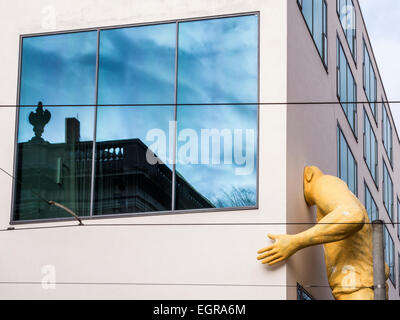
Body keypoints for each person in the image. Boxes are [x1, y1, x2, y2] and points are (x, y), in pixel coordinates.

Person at [257, 166, 389, 300]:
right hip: (359, 289)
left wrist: (294, 241)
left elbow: (352, 216)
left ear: (308, 175)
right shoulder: (346, 196)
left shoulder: (324, 182)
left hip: (357, 290)